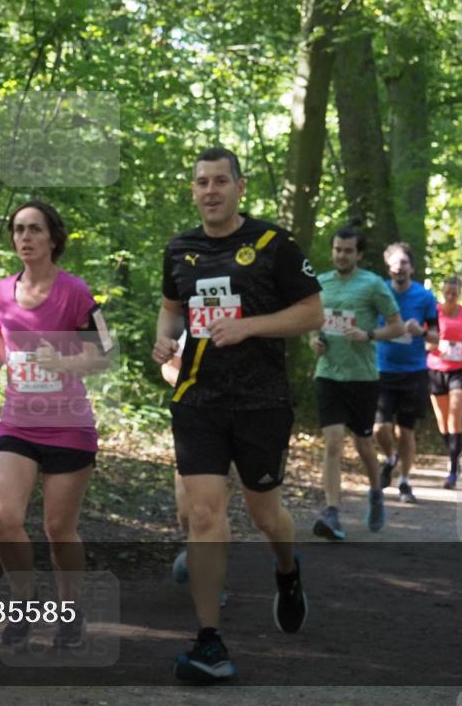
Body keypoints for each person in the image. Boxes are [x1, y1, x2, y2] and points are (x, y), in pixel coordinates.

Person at [153, 146, 322, 681]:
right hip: (198, 400)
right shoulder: (179, 248)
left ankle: (287, 570)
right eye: (201, 182)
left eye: (220, 181)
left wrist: (248, 326)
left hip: (260, 402)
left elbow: (313, 311)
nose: (210, 190)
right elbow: (170, 310)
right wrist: (164, 343)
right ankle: (209, 642)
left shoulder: (273, 244)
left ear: (239, 187)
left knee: (265, 514)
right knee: (203, 515)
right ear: (193, 190)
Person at [0, 200, 112, 651]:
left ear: (52, 238)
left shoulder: (75, 291)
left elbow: (105, 353)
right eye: (18, 229)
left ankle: (70, 608)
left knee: (58, 529)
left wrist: (67, 358)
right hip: (17, 422)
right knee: (3, 517)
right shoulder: (1, 291)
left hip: (69, 426)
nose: (25, 238)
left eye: (35, 229)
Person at [310, 226, 403, 540]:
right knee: (333, 441)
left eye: (348, 250)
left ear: (359, 254)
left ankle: (376, 492)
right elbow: (312, 323)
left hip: (362, 377)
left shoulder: (373, 285)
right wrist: (314, 341)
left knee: (364, 445)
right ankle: (332, 512)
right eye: (337, 249)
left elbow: (397, 326)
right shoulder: (320, 284)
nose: (341, 255)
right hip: (328, 374)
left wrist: (368, 335)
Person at [161, 332, 229, 607]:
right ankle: (193, 553)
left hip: (235, 421)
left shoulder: (249, 326)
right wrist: (186, 383)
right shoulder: (194, 326)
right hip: (193, 421)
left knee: (212, 507)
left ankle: (214, 580)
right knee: (186, 508)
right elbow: (169, 366)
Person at [373, 243, 439, 504]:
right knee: (380, 428)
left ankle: (404, 482)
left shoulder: (424, 297)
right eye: (394, 263)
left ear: (411, 267)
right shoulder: (378, 292)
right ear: (388, 267)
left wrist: (420, 332)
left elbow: (436, 337)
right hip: (381, 370)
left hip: (413, 372)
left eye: (404, 263)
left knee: (406, 431)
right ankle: (390, 458)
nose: (399, 268)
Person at [426, 276, 462, 489]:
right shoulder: (433, 312)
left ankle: (452, 470)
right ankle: (453, 456)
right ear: (442, 292)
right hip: (436, 368)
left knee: (454, 419)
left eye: (455, 293)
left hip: (461, 369)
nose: (450, 296)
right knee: (442, 422)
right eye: (447, 292)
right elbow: (424, 335)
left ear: (460, 294)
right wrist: (428, 345)